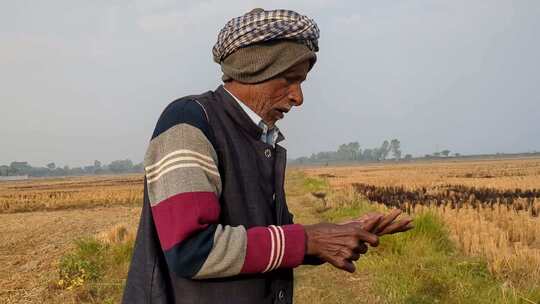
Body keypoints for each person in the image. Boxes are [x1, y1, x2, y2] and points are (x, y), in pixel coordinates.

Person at [122, 8, 413, 304]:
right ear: (254, 70)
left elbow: (271, 240)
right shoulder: (188, 122)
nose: (298, 97)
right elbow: (190, 249)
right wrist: (310, 239)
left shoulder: (259, 138)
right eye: (288, 79)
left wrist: (339, 233)